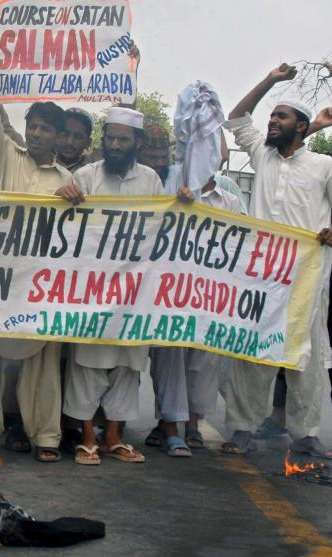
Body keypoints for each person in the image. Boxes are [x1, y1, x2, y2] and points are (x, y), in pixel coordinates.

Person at [0, 2, 73, 461]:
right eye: (33, 125)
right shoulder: (4, 155)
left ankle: (46, 438)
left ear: (61, 135)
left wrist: (76, 203)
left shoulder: (68, 181)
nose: (38, 133)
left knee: (42, 365)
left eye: (46, 128)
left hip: (41, 284)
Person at [56, 107, 193, 466]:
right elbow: (67, 225)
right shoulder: (86, 176)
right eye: (110, 138)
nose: (115, 145)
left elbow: (163, 226)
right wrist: (64, 196)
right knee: (86, 363)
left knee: (127, 364)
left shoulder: (150, 180)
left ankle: (114, 437)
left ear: (137, 143)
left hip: (134, 290)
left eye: (123, 139)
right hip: (91, 286)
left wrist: (182, 206)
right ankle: (87, 438)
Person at [220, 63, 332, 459]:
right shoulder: (262, 157)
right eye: (271, 116)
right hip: (262, 279)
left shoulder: (324, 167)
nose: (271, 122)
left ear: (301, 126)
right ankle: (242, 428)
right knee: (253, 354)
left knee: (307, 359)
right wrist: (270, 81)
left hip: (308, 280)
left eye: (280, 117)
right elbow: (235, 117)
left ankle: (306, 434)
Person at [147, 81, 244, 457]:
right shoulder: (166, 182)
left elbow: (243, 245)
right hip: (167, 291)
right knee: (169, 357)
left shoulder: (229, 200)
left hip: (209, 296)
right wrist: (176, 203)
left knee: (203, 363)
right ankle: (170, 426)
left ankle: (193, 425)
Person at [57, 108, 94, 173]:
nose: (69, 142)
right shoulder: (41, 163)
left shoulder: (92, 172)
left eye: (78, 137)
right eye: (65, 134)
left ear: (88, 142)